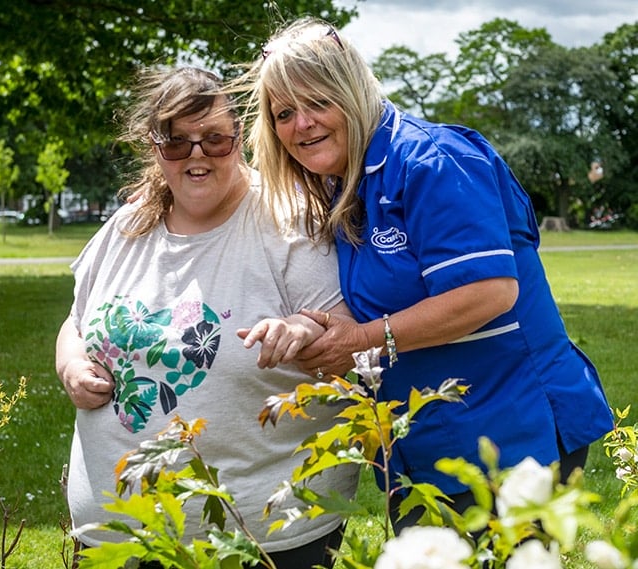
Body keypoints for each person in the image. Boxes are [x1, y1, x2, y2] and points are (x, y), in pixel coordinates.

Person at [240, 17, 614, 533]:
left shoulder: (432, 162)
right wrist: (314, 327)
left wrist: (364, 342)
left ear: (352, 92)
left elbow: (488, 291)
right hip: (430, 445)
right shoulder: (346, 182)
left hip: (508, 435)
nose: (301, 124)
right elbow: (378, 294)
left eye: (318, 102)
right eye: (284, 113)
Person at [55, 65, 359, 569]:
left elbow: (346, 341)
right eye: (177, 143)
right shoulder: (126, 226)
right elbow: (77, 320)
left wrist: (302, 331)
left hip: (258, 540)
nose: (196, 155)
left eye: (214, 140)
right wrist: (70, 365)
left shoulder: (287, 222)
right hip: (113, 538)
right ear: (155, 149)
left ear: (239, 138)